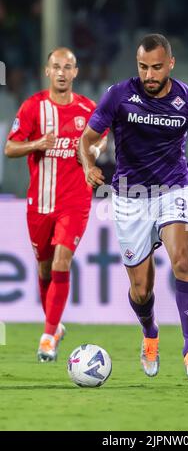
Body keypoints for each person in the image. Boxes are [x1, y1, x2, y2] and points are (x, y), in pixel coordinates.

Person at [80, 34, 188, 381]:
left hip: (172, 190)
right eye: (143, 67)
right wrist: (88, 165)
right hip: (129, 196)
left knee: (182, 261)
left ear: (170, 64)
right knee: (141, 290)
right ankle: (150, 333)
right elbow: (88, 139)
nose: (149, 75)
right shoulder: (118, 95)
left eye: (157, 67)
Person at [4, 47, 108, 362]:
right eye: (56, 67)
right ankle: (55, 325)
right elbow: (10, 148)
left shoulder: (88, 108)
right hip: (40, 202)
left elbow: (102, 138)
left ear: (76, 72)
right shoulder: (33, 107)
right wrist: (38, 143)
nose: (62, 72)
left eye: (68, 67)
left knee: (63, 260)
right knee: (45, 267)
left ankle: (48, 335)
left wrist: (94, 152)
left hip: (75, 200)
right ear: (47, 71)